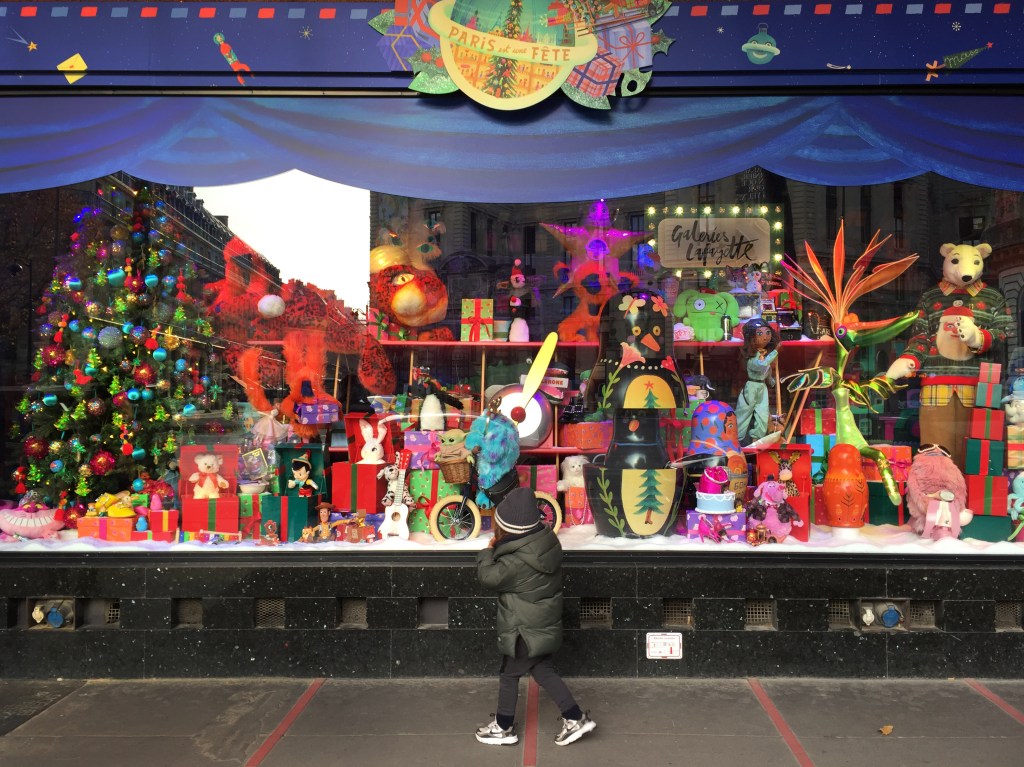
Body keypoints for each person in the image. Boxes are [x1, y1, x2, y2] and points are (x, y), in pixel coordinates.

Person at [474, 487, 596, 747]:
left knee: (509, 674)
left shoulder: (517, 561)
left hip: (524, 628)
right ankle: (575, 718)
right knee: (542, 670)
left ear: (509, 529)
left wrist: (487, 551)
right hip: (540, 622)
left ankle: (504, 727)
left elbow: (488, 577)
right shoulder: (544, 543)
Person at [734, 318, 781, 444]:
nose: (765, 337)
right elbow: (762, 365)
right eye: (760, 333)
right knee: (744, 413)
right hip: (751, 387)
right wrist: (775, 351)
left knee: (763, 414)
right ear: (751, 338)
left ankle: (757, 439)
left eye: (768, 333)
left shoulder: (763, 355)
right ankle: (736, 439)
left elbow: (766, 369)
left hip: (762, 387)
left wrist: (770, 380)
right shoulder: (752, 357)